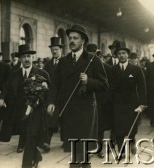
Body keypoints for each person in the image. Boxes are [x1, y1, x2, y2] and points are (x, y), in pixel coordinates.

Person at [47, 24, 108, 168]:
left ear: (83, 41)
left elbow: (104, 85)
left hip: (86, 110)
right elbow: (55, 84)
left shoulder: (94, 60)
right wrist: (51, 102)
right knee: (74, 147)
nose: (72, 41)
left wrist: (89, 81)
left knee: (82, 149)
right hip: (69, 110)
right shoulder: (63, 61)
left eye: (76, 38)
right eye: (70, 38)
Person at [0, 44, 49, 168]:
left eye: (29, 56)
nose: (27, 59)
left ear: (33, 57)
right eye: (24, 57)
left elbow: (49, 92)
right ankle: (37, 157)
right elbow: (6, 87)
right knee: (26, 137)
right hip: (20, 111)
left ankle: (26, 165)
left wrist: (41, 100)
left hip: (36, 112)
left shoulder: (42, 73)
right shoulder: (14, 74)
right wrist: (1, 98)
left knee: (31, 136)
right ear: (20, 59)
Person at [110, 41, 146, 156]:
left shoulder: (136, 69)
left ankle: (132, 141)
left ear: (127, 55)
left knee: (131, 127)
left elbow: (142, 88)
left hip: (132, 103)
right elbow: (109, 88)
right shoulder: (113, 70)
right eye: (119, 53)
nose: (121, 55)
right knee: (119, 127)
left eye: (124, 53)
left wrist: (142, 103)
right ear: (116, 55)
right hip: (117, 103)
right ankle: (122, 150)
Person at [86, 43, 112, 159]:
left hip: (101, 101)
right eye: (90, 54)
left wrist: (107, 99)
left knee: (100, 126)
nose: (93, 56)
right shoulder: (83, 67)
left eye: (95, 54)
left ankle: (99, 148)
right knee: (88, 125)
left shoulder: (106, 68)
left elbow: (109, 85)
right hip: (86, 100)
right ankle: (89, 148)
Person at [43, 36, 64, 152]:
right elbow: (44, 77)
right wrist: (44, 83)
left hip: (64, 95)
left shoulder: (67, 62)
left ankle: (66, 141)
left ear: (61, 49)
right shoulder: (48, 64)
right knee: (50, 117)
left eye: (56, 49)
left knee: (65, 119)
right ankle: (47, 142)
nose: (54, 51)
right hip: (51, 95)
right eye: (53, 49)